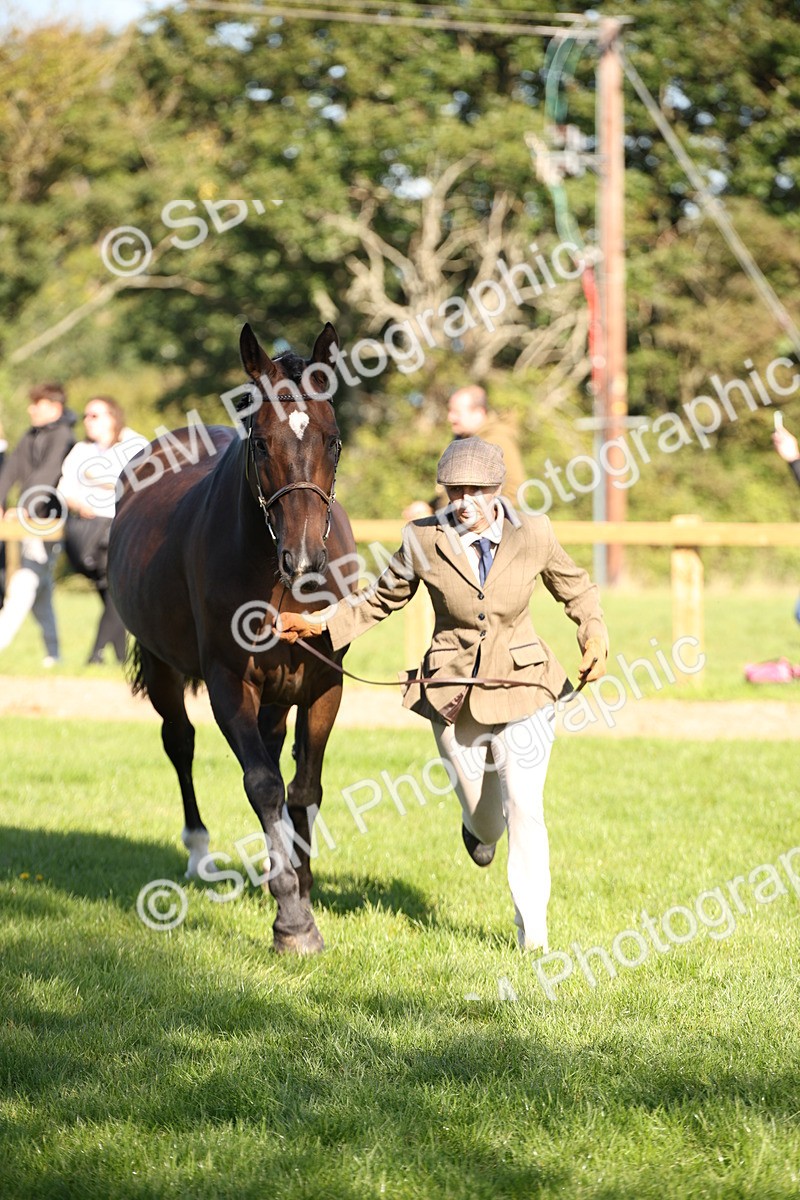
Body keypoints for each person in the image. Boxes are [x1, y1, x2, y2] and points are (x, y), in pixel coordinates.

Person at [278, 437, 608, 952]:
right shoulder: (421, 539)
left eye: (476, 490)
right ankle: (477, 832)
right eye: (455, 490)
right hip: (453, 692)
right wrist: (319, 625)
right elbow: (377, 601)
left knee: (526, 807)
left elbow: (578, 588)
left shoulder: (535, 532)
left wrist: (594, 633)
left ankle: (534, 940)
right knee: (485, 819)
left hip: (526, 684)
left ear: (497, 490)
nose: (464, 501)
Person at [58, 396, 147, 664]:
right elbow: (64, 488)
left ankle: (95, 654)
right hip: (85, 529)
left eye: (94, 415)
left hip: (120, 525)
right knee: (109, 590)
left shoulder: (135, 443)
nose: (87, 421)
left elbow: (140, 481)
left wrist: (98, 482)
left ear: (113, 417)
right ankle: (121, 655)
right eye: (86, 416)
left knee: (113, 586)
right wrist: (78, 499)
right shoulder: (81, 450)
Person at [0, 383, 76, 666]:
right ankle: (53, 655)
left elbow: (47, 476)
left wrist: (24, 508)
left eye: (38, 404)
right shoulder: (31, 435)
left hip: (48, 523)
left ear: (54, 408)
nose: (31, 408)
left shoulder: (64, 437)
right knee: (39, 588)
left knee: (24, 584)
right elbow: (11, 471)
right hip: (27, 522)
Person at [403, 384, 527, 519]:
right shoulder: (462, 440)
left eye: (456, 412)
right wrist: (430, 507)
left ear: (478, 413)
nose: (450, 417)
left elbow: (515, 490)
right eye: (450, 411)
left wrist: (476, 519)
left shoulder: (496, 441)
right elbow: (452, 492)